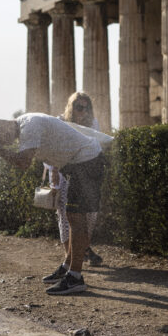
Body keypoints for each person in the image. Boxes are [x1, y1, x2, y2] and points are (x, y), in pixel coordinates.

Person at [0, 112, 110, 295]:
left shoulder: (29, 127)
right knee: (73, 216)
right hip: (80, 162)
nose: (7, 144)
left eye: (1, 140)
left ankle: (75, 277)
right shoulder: (26, 124)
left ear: (2, 128)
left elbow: (23, 163)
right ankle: (68, 267)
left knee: (75, 217)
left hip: (86, 160)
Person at [44, 92, 104, 268]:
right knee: (65, 216)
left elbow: (96, 146)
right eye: (79, 107)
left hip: (87, 174)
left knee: (90, 215)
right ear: (71, 107)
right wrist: (54, 171)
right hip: (63, 173)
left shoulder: (93, 123)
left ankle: (82, 249)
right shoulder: (60, 122)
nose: (83, 111)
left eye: (87, 107)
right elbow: (51, 147)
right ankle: (69, 259)